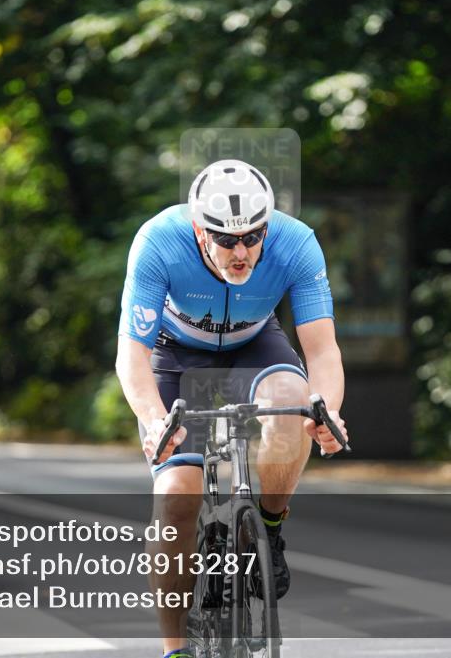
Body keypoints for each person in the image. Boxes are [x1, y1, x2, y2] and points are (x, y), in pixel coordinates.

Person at [115, 159, 348, 658]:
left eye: (252, 237)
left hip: (254, 342)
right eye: (226, 240)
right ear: (200, 231)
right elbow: (130, 355)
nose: (241, 252)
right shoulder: (158, 241)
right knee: (176, 493)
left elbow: (323, 349)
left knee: (291, 403)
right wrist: (155, 421)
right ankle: (174, 648)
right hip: (176, 352)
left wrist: (323, 412)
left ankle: (269, 527)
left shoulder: (297, 243)